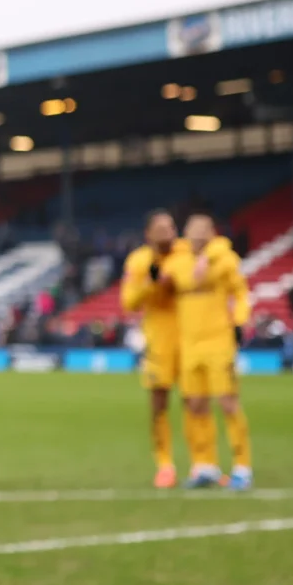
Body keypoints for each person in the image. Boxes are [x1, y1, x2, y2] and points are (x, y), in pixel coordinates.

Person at [163, 211, 253, 490]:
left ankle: (242, 465)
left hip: (218, 342)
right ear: (185, 232)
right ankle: (205, 465)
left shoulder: (226, 260)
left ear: (213, 232)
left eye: (204, 228)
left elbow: (241, 293)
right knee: (195, 405)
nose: (198, 233)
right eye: (193, 228)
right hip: (189, 344)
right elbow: (160, 282)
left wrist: (239, 321)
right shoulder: (177, 262)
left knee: (227, 402)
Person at [120, 209, 182, 488]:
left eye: (170, 227)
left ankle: (204, 465)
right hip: (159, 341)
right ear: (148, 234)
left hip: (191, 337)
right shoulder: (139, 261)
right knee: (159, 404)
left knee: (197, 403)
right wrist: (152, 283)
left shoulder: (187, 254)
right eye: (160, 228)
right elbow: (129, 301)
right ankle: (165, 464)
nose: (167, 232)